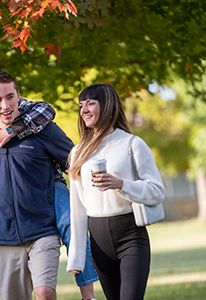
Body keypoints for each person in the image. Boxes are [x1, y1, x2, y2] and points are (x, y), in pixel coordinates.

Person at [0, 63, 98, 300]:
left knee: (71, 222)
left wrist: (12, 131)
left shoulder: (24, 109)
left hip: (46, 182)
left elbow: (47, 112)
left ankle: (88, 293)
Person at [66, 84, 166, 300]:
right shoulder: (78, 153)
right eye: (81, 105)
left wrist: (121, 184)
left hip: (131, 238)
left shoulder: (132, 144)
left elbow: (157, 191)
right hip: (99, 244)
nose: (83, 110)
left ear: (108, 106)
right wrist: (75, 256)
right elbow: (77, 207)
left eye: (90, 103)